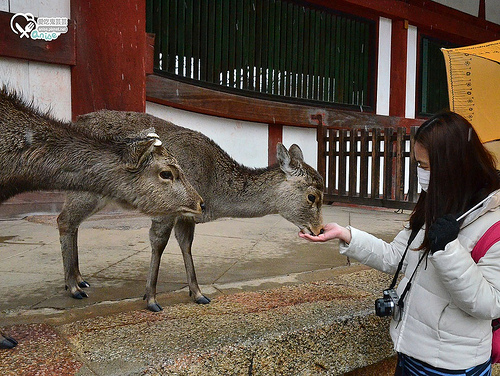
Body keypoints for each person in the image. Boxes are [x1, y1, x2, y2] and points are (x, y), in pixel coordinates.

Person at [300, 111, 500, 375]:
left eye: (426, 166)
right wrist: (346, 235)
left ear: (453, 166)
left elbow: (490, 303)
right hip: (410, 353)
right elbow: (396, 255)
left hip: (452, 367)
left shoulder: (494, 225)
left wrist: (448, 251)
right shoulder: (437, 203)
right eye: (418, 164)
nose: (421, 174)